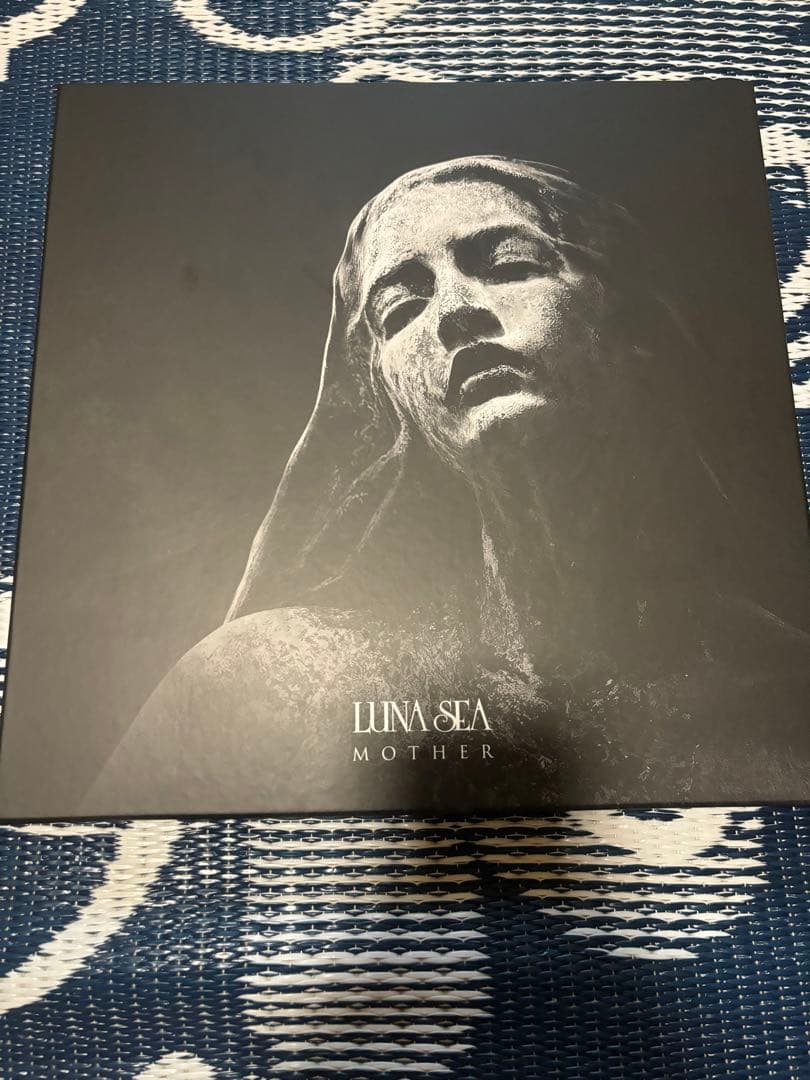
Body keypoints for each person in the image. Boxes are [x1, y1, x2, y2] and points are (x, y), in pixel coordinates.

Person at [85, 156, 810, 814]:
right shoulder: (269, 680)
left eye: (509, 264)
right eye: (401, 310)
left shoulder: (785, 694)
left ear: (631, 323)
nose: (453, 313)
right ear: (393, 399)